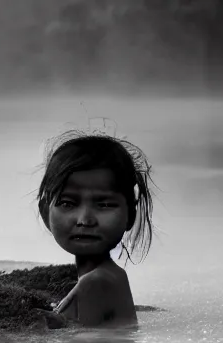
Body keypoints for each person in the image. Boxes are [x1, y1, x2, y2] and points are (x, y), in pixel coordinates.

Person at [37, 128, 155, 328]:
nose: (85, 220)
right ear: (45, 212)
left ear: (130, 216)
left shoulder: (97, 282)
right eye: (67, 203)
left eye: (105, 205)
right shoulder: (110, 276)